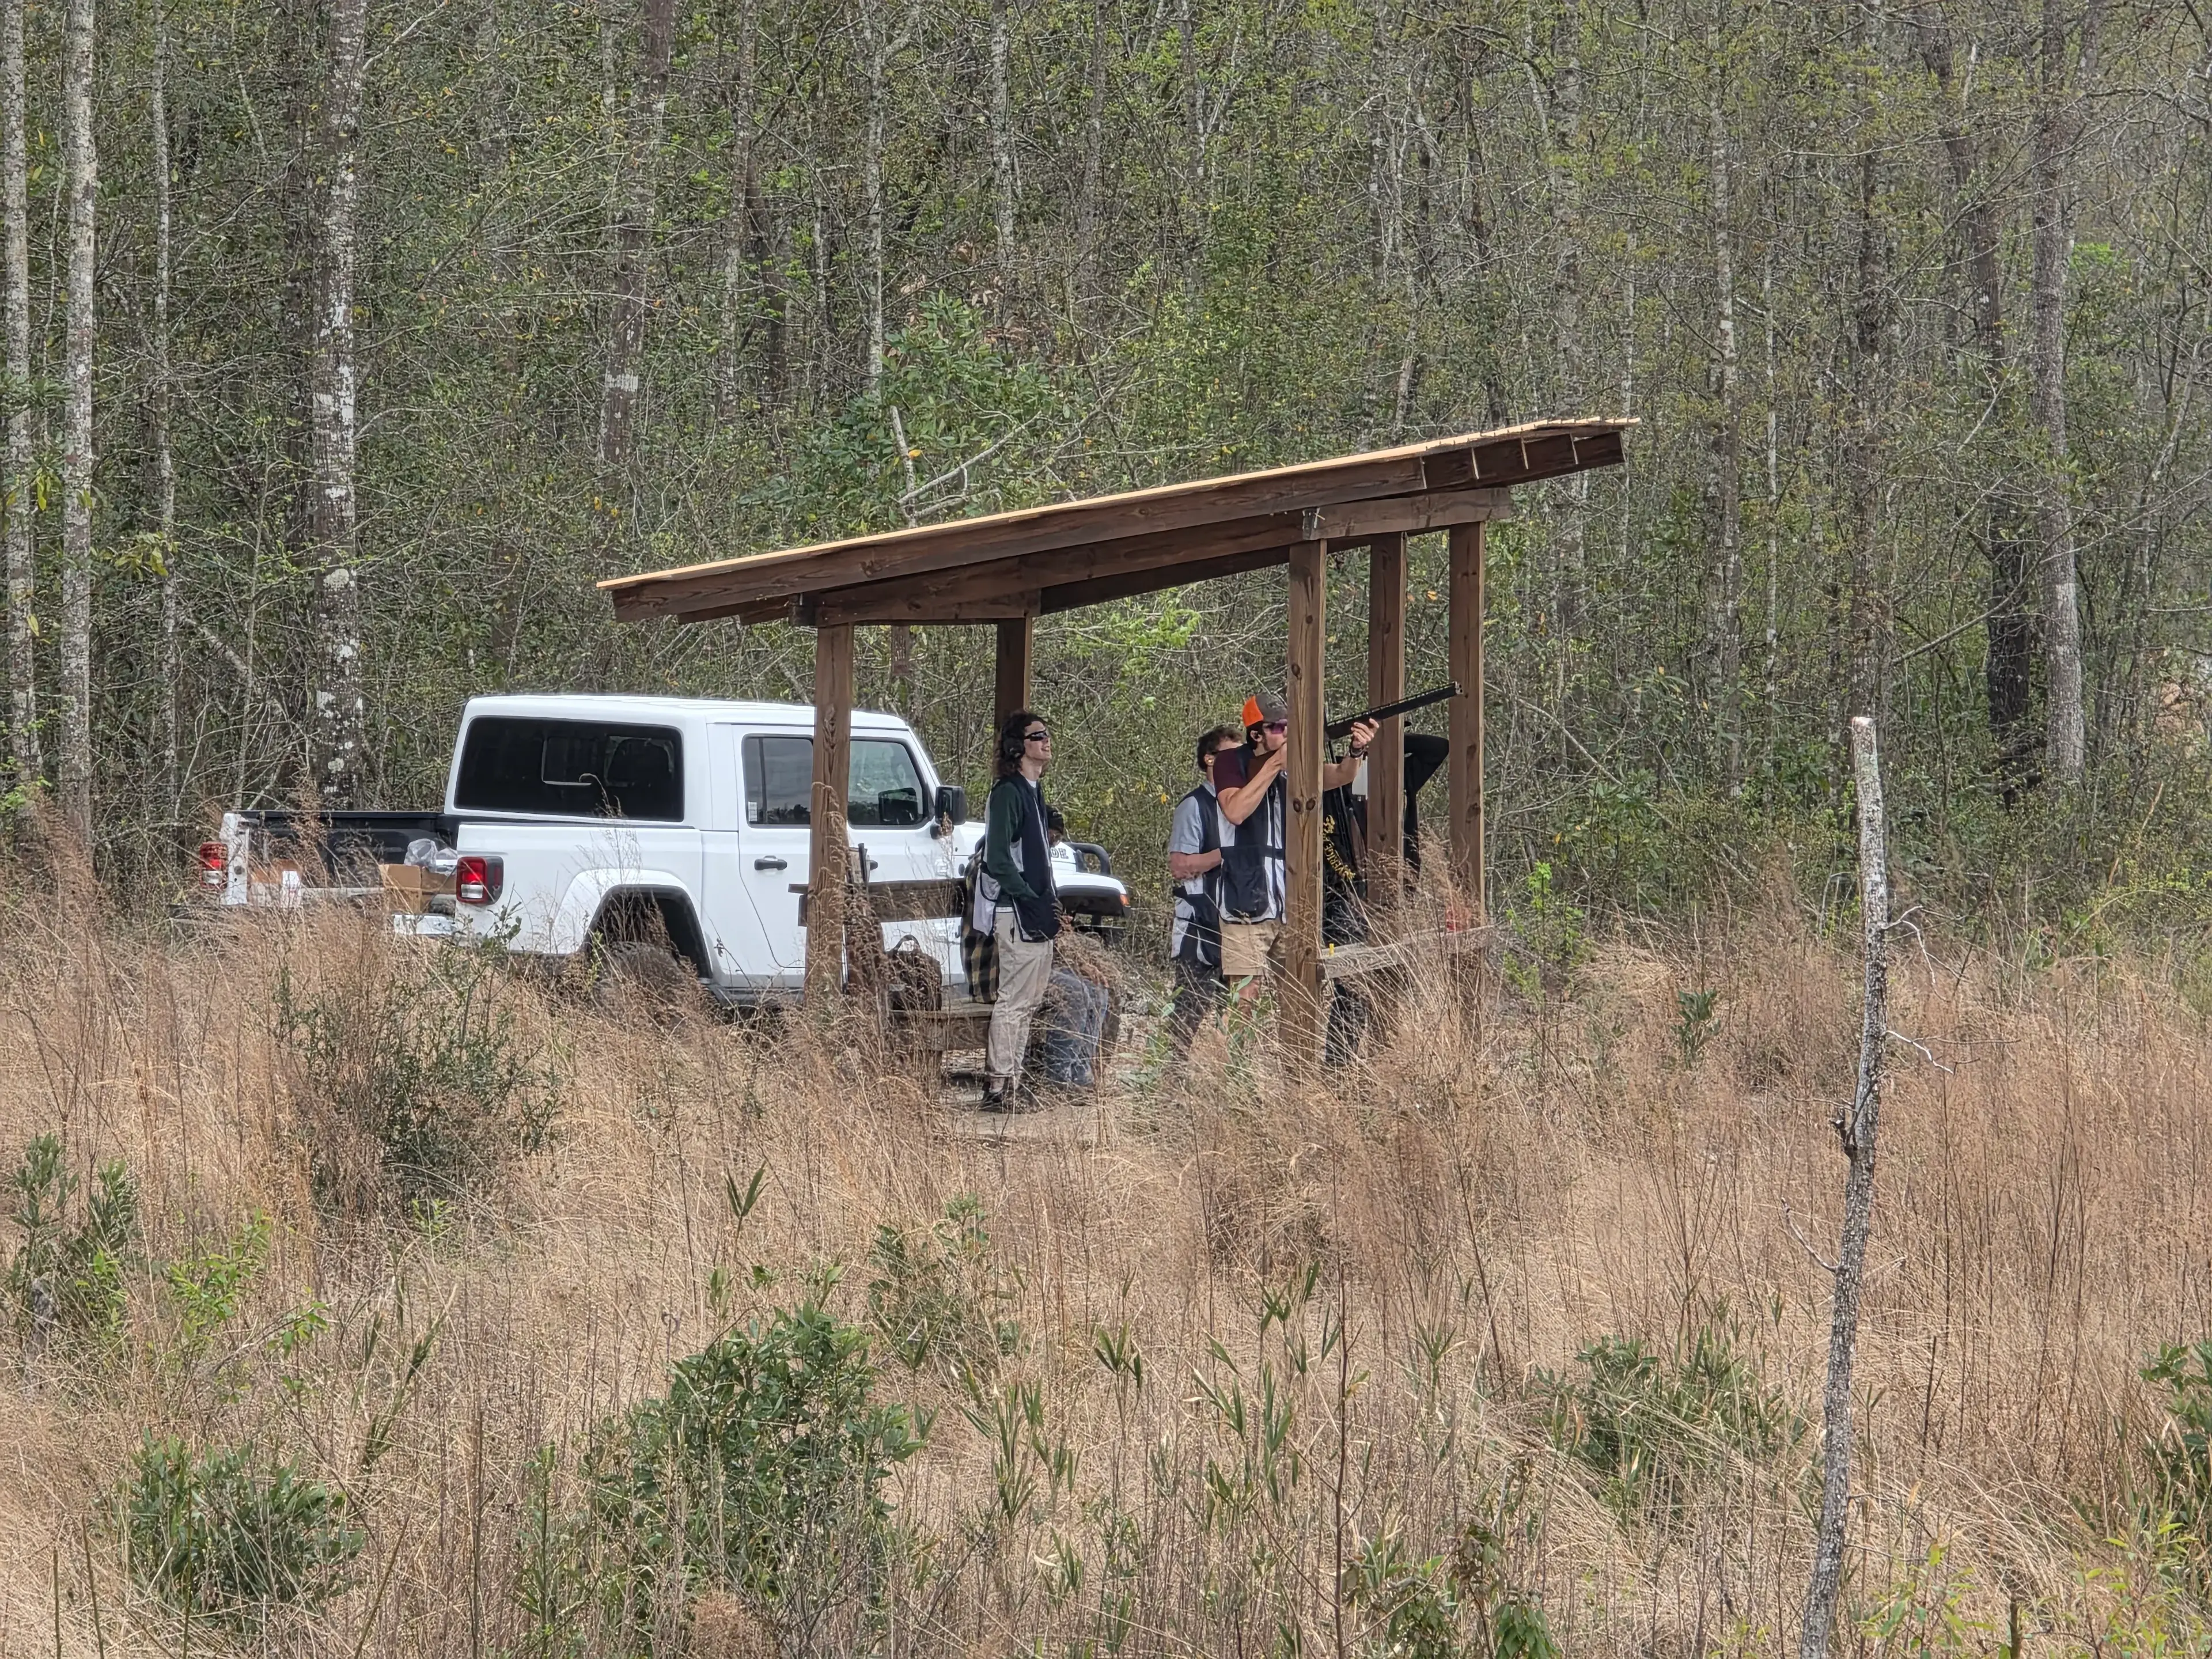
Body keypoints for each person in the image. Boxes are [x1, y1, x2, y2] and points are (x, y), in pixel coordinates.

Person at [1211, 691, 1376, 1008]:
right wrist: (1276, 764)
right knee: (1245, 998)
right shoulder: (1231, 761)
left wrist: (1356, 750)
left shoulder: (1296, 763)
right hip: (1245, 899)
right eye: (1278, 727)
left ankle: (1291, 1060)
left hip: (1292, 901)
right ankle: (1233, 1059)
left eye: (1291, 725)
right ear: (1256, 733)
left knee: (1300, 998)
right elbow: (1235, 811)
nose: (1287, 731)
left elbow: (1341, 776)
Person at [974, 709, 1060, 1109]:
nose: (1046, 741)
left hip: (1035, 910)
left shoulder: (1034, 792)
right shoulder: (1009, 792)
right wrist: (1026, 895)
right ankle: (998, 1086)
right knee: (1013, 1001)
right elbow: (998, 858)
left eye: (1046, 735)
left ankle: (1013, 1081)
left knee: (1028, 1001)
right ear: (1017, 747)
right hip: (1016, 912)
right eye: (1037, 736)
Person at [1165, 724, 1240, 1056]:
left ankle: (1222, 1078)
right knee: (1189, 1011)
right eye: (1230, 754)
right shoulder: (1193, 806)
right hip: (1199, 924)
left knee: (1235, 1012)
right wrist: (1227, 855)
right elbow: (1180, 865)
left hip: (1238, 921)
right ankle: (1169, 1080)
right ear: (1209, 759)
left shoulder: (1247, 804)